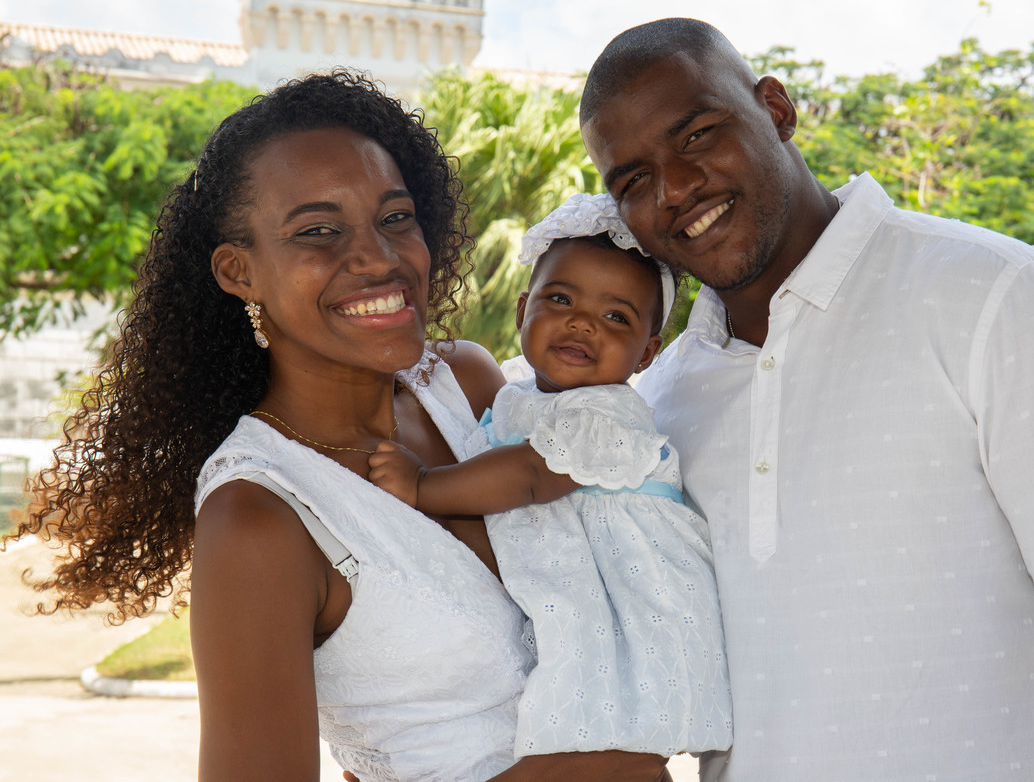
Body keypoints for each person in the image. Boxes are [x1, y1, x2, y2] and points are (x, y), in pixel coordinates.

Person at [578, 17, 1034, 781]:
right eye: (634, 182)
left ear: (775, 109)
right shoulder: (660, 404)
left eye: (699, 135)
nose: (676, 189)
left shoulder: (1000, 299)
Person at [6, 71, 667, 782]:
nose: (379, 258)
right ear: (239, 272)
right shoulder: (260, 519)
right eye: (318, 232)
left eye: (396, 218)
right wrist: (612, 760)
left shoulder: (467, 386)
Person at [368, 192, 733, 760]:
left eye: (616, 317)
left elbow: (531, 475)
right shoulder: (517, 394)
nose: (582, 323)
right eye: (560, 299)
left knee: (596, 690)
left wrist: (423, 486)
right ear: (522, 313)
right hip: (574, 570)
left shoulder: (605, 414)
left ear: (646, 353)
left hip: (630, 591)